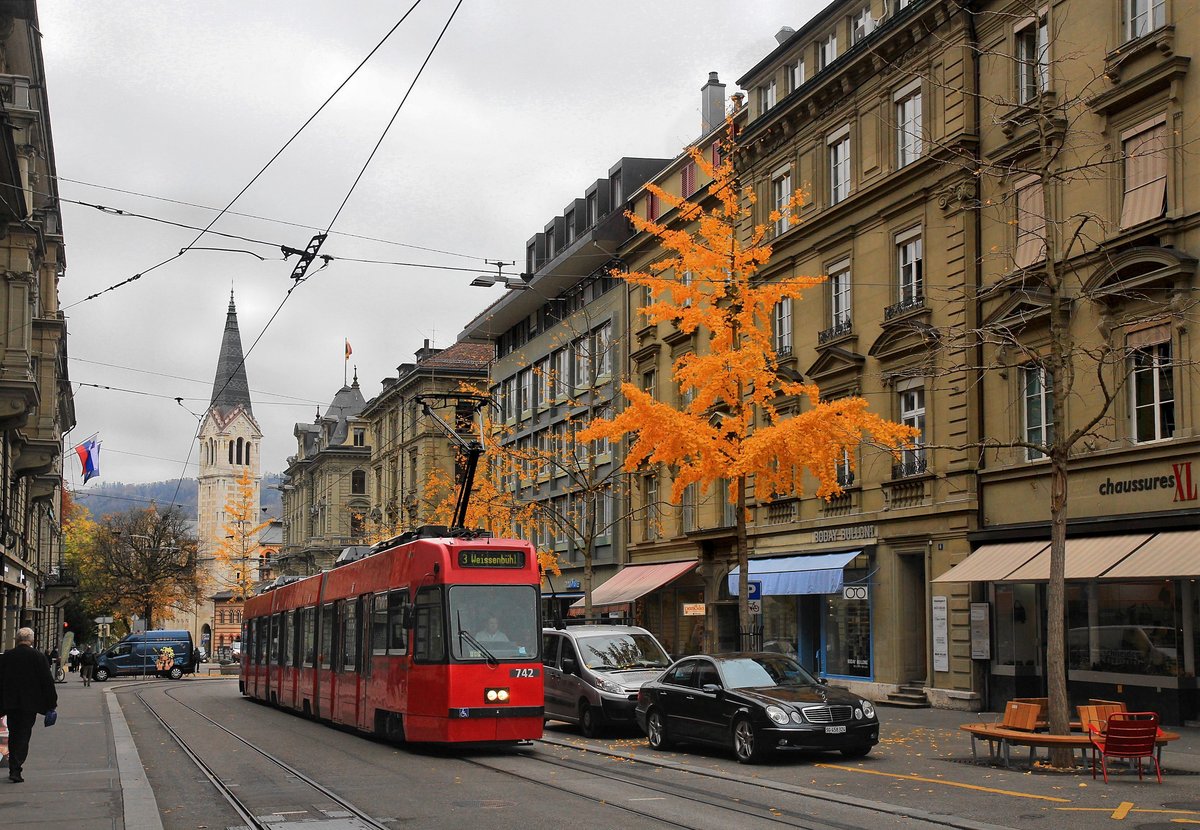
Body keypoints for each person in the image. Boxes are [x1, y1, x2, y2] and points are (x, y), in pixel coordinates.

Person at [0, 628, 58, 783]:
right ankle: (16, 767)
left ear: (17, 639)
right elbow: (47, 681)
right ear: (31, 640)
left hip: (11, 703)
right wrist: (51, 704)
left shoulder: (7, 656)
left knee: (13, 733)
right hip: (30, 703)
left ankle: (14, 766)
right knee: (24, 734)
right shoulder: (38, 656)